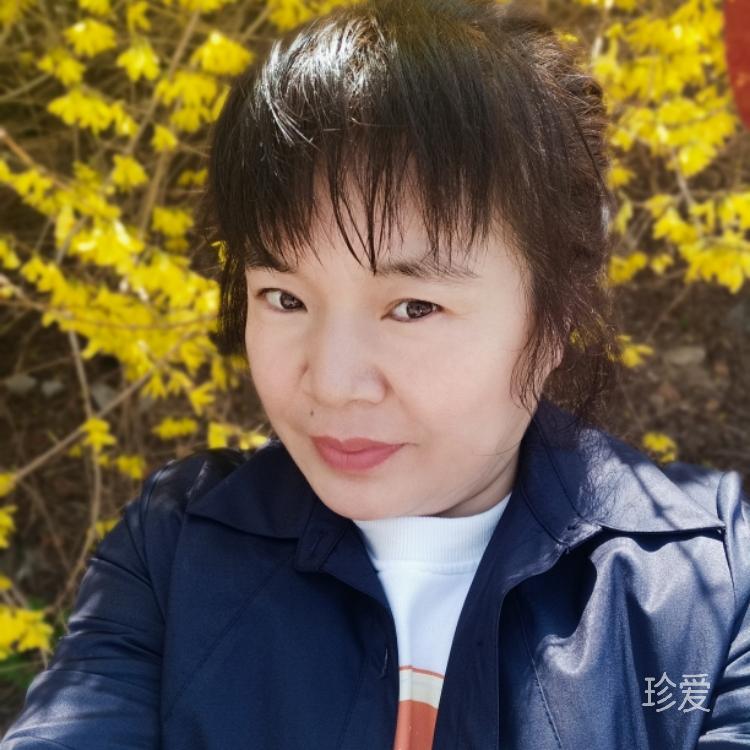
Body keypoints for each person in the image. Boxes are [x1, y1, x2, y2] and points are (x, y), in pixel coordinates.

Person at [2, 0, 749, 748]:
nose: (331, 383)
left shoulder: (709, 590)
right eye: (284, 298)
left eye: (414, 307)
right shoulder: (178, 552)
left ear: (554, 316)